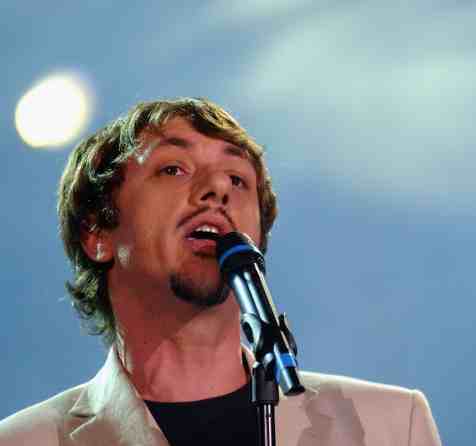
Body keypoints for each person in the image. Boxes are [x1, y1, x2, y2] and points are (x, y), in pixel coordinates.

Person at [0, 98, 441, 446]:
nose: (216, 188)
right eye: (173, 169)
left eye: (237, 179)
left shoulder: (390, 427)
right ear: (97, 232)